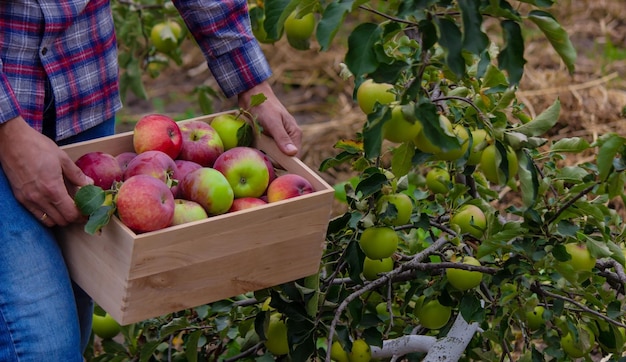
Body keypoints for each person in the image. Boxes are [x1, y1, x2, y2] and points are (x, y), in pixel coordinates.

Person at [0, 0, 301, 360]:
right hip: (7, 108)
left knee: (75, 315)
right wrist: (7, 131)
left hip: (81, 91)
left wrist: (251, 82)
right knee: (45, 345)